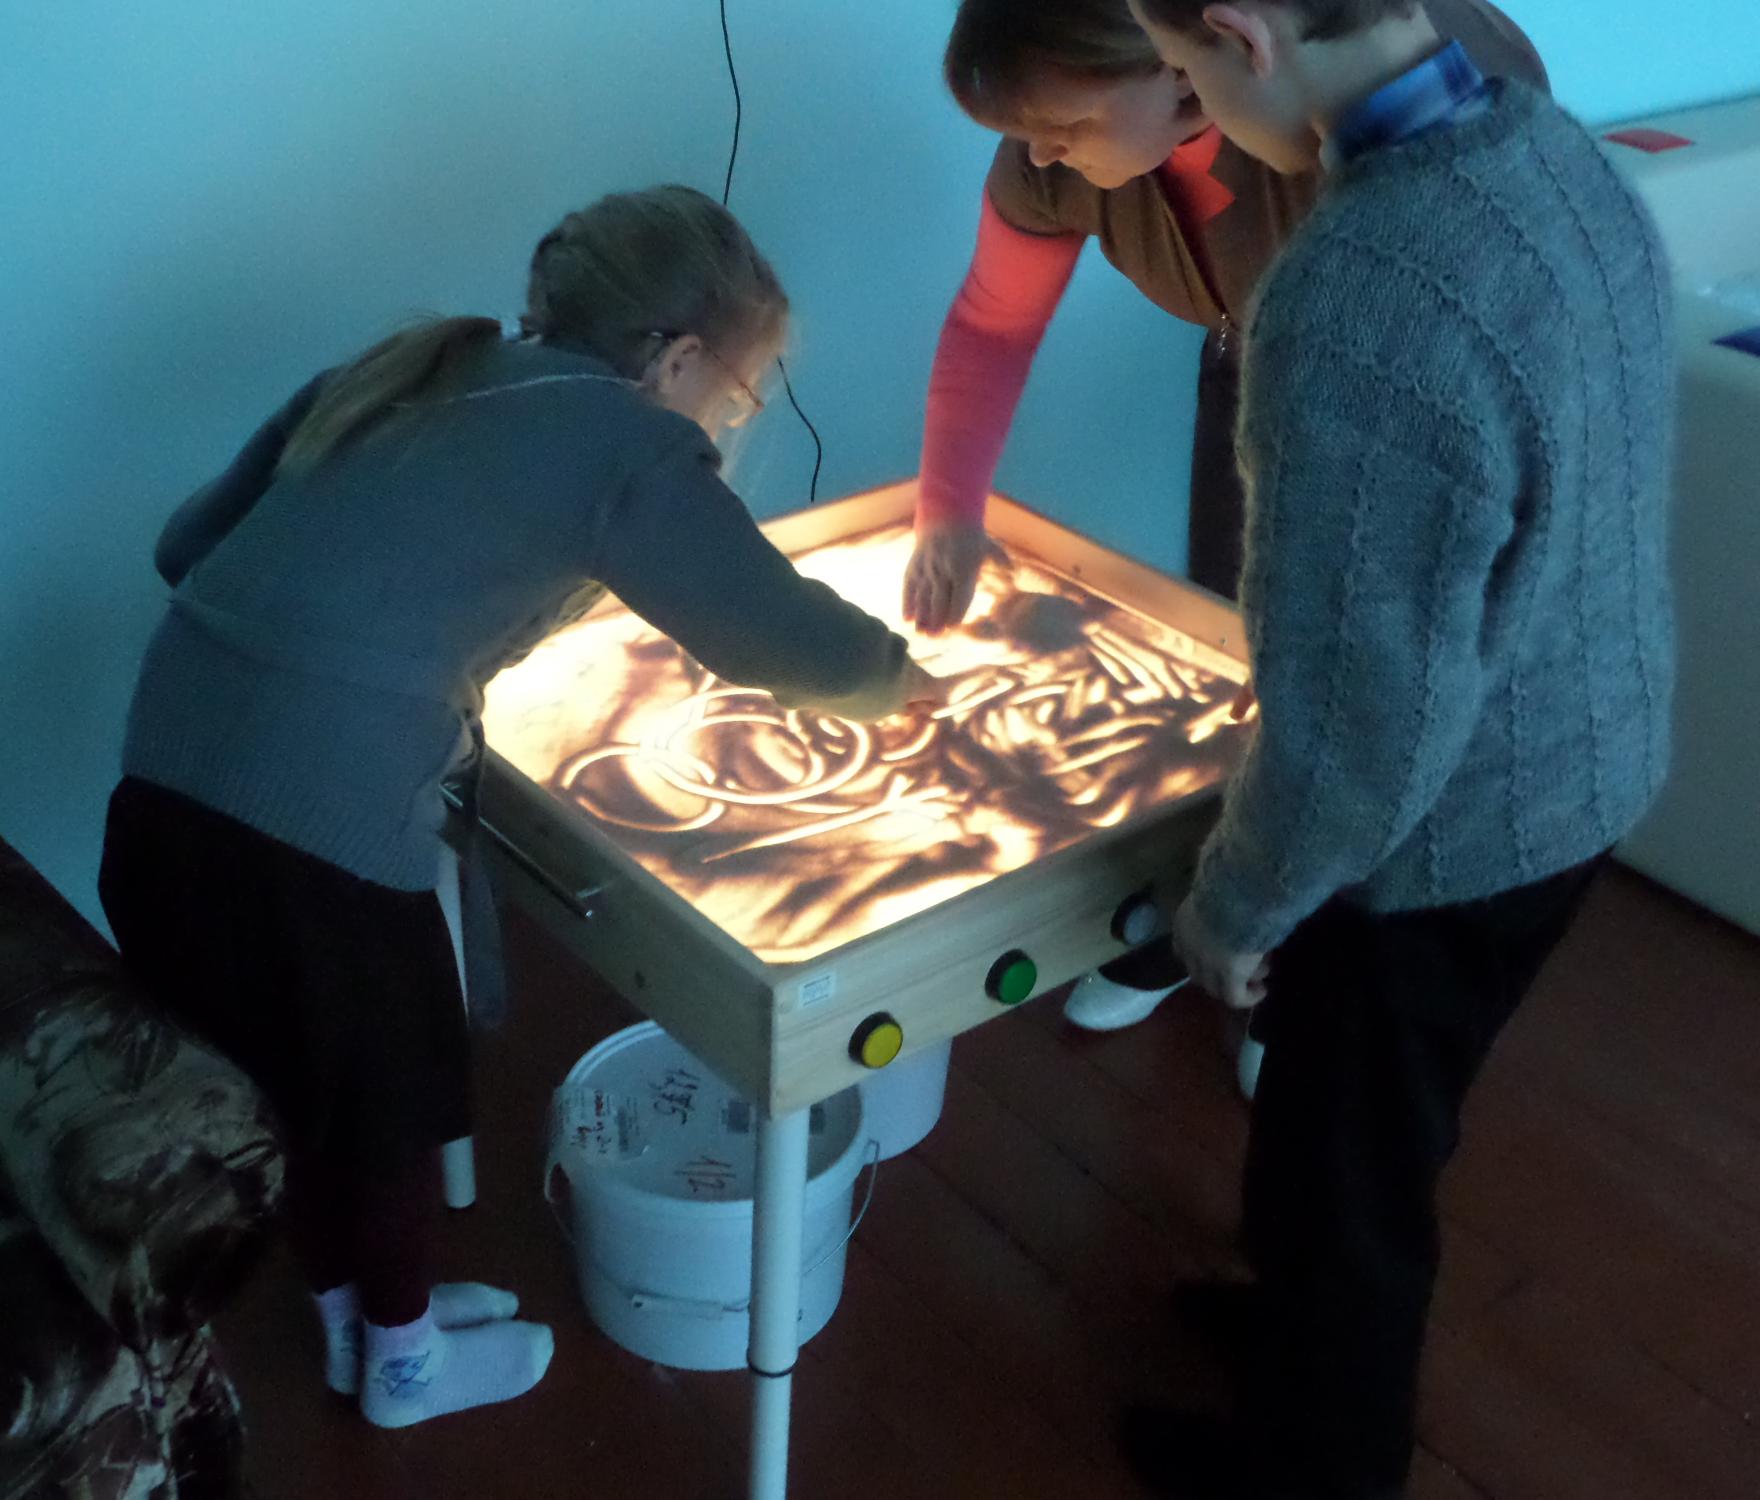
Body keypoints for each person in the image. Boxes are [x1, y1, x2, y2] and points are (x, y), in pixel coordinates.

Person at [97, 185, 941, 1432]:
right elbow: (771, 634)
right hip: (311, 831)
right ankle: (404, 1366)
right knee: (378, 1100)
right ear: (678, 358)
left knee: (296, 1086)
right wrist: (904, 682)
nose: (727, 420)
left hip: (160, 785)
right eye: (738, 395)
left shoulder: (406, 368)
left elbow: (187, 549)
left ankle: (356, 1321)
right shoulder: (623, 436)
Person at [1116, 0, 1676, 1494]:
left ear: (1241, 32)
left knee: (1343, 1174)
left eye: (1180, 69)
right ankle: (1298, 1331)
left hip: (1450, 836)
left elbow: (1363, 715)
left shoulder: (1355, 295)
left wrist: (1237, 904)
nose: (1187, 101)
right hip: (1587, 758)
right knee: (1363, 1128)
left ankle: (1319, 1463)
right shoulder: (1552, 150)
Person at [905, 0, 1546, 1032]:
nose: (1039, 151)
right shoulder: (1056, 158)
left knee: (1354, 689)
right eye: (1024, 131)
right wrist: (948, 510)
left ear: (1175, 70)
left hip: (1413, 408)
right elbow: (991, 324)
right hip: (1259, 363)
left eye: (1062, 125)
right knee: (1231, 642)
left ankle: (1307, 982)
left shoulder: (1364, 129)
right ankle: (1199, 914)